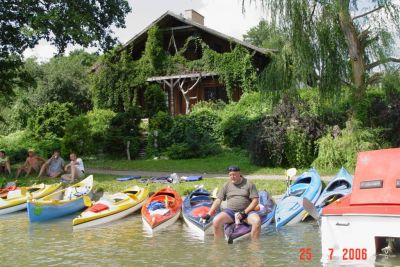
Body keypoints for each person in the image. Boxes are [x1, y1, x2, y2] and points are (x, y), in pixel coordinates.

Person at [203, 165, 261, 240]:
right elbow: (218, 200)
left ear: (239, 173)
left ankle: (254, 244)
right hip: (230, 212)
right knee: (216, 220)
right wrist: (209, 213)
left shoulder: (249, 184)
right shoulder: (226, 185)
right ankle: (218, 244)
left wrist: (244, 213)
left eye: (234, 174)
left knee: (257, 222)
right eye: (230, 175)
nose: (232, 177)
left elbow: (255, 201)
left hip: (246, 212)